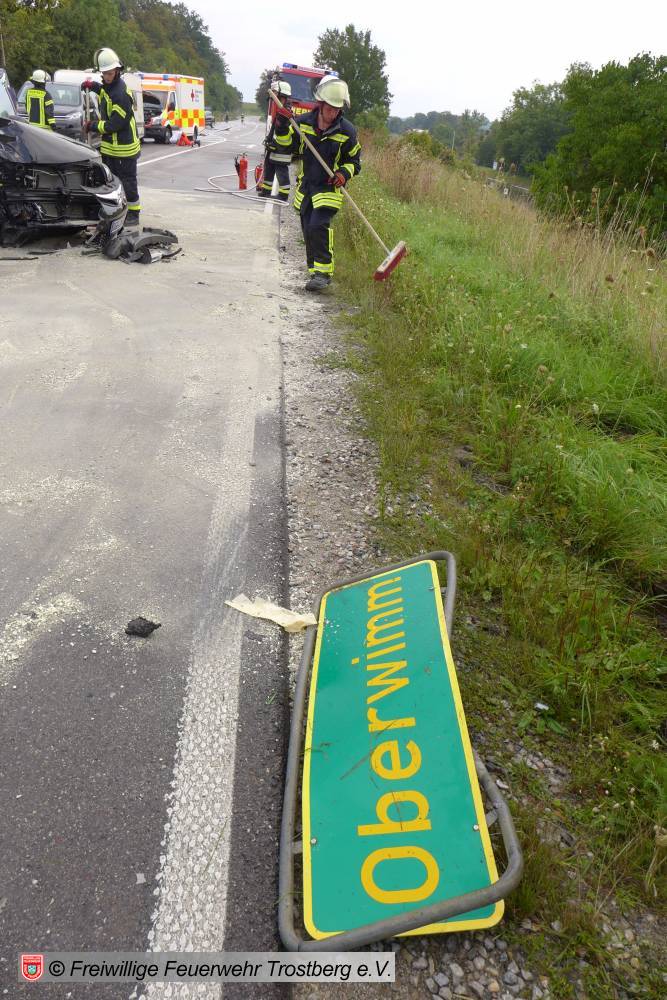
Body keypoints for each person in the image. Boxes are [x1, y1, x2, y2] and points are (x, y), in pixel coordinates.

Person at [270, 75, 361, 291]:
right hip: (307, 188)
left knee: (318, 226)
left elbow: (355, 162)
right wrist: (282, 125)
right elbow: (285, 146)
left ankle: (323, 274)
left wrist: (343, 174)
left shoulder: (347, 131)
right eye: (330, 108)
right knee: (307, 230)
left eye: (337, 109)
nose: (333, 113)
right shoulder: (302, 124)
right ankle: (315, 271)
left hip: (329, 189)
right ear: (320, 104)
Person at [81, 48, 141, 226]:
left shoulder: (120, 94)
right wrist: (93, 86)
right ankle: (116, 210)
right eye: (104, 73)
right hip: (111, 147)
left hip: (124, 148)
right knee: (111, 181)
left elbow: (115, 125)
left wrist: (92, 125)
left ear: (117, 70)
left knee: (128, 181)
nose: (107, 76)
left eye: (110, 73)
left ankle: (134, 214)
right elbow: (105, 93)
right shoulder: (110, 87)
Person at [258, 81, 293, 202]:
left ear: (282, 95)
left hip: (282, 149)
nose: (274, 98)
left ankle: (283, 195)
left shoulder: (286, 111)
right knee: (269, 167)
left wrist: (274, 143)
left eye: (276, 94)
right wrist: (269, 140)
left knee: (281, 170)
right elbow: (274, 127)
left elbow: (281, 130)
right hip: (275, 146)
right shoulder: (279, 107)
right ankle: (266, 190)